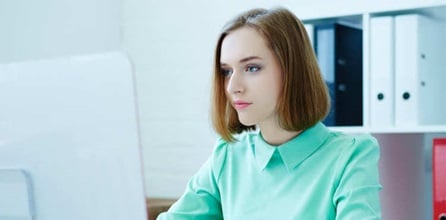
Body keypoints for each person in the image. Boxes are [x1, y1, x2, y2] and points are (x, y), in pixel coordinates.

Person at [157, 7, 382, 220]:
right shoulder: (228, 156)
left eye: (252, 68)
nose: (233, 86)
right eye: (227, 71)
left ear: (292, 71)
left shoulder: (351, 156)